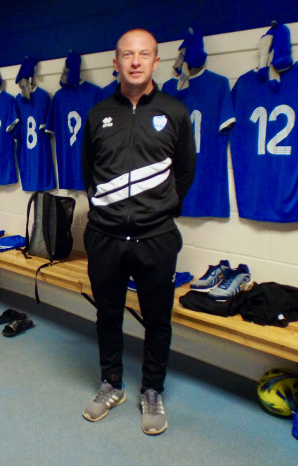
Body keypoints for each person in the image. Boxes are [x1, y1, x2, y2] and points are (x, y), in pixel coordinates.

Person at [80, 28, 196, 435]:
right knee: (107, 314)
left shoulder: (175, 112)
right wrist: (108, 217)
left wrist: (158, 212)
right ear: (115, 63)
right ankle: (112, 384)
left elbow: (185, 173)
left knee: (157, 319)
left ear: (154, 61)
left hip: (156, 239)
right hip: (106, 237)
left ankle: (152, 389)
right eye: (127, 54)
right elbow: (88, 174)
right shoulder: (98, 114)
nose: (134, 61)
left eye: (143, 54)